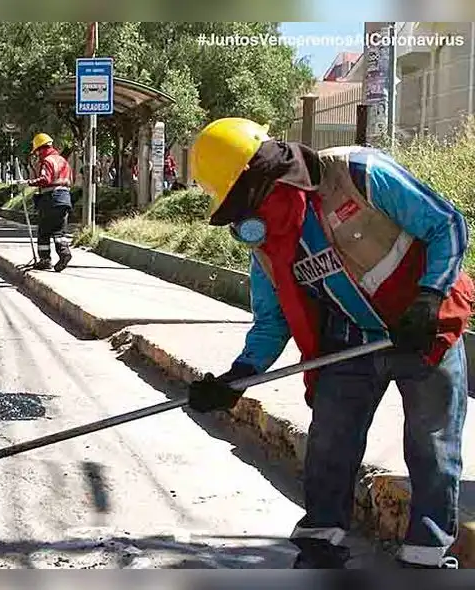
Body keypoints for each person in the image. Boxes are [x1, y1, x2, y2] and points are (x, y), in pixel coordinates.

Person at [186, 117, 473, 569]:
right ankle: (321, 542)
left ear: (271, 174)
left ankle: (427, 555)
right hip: (350, 342)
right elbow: (272, 320)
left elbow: (448, 226)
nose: (249, 219)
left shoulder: (360, 175)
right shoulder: (269, 243)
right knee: (330, 443)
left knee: (431, 446)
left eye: (246, 202)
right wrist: (237, 377)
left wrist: (428, 298)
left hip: (424, 331)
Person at [22, 132, 73, 272]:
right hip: (65, 199)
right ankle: (64, 253)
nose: (37, 155)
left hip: (51, 199)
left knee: (44, 230)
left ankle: (45, 260)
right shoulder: (63, 161)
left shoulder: (48, 161)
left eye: (37, 151)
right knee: (59, 230)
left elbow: (46, 179)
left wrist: (28, 182)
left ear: (41, 149)